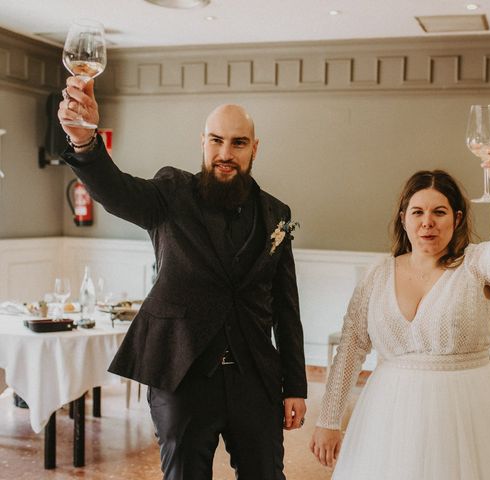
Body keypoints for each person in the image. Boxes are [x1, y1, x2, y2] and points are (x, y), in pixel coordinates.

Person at [58, 76, 307, 480]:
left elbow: (286, 307)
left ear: (254, 148)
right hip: (183, 375)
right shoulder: (171, 193)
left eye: (238, 143)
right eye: (216, 140)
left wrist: (294, 384)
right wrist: (85, 142)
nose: (225, 153)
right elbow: (117, 191)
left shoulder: (276, 214)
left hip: (254, 380)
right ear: (203, 142)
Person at [310, 140, 490, 479]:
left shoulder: (478, 264)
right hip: (389, 414)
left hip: (466, 412)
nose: (427, 222)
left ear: (457, 219)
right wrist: (329, 419)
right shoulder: (378, 273)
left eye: (439, 212)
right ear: (403, 219)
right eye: (418, 212)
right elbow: (352, 346)